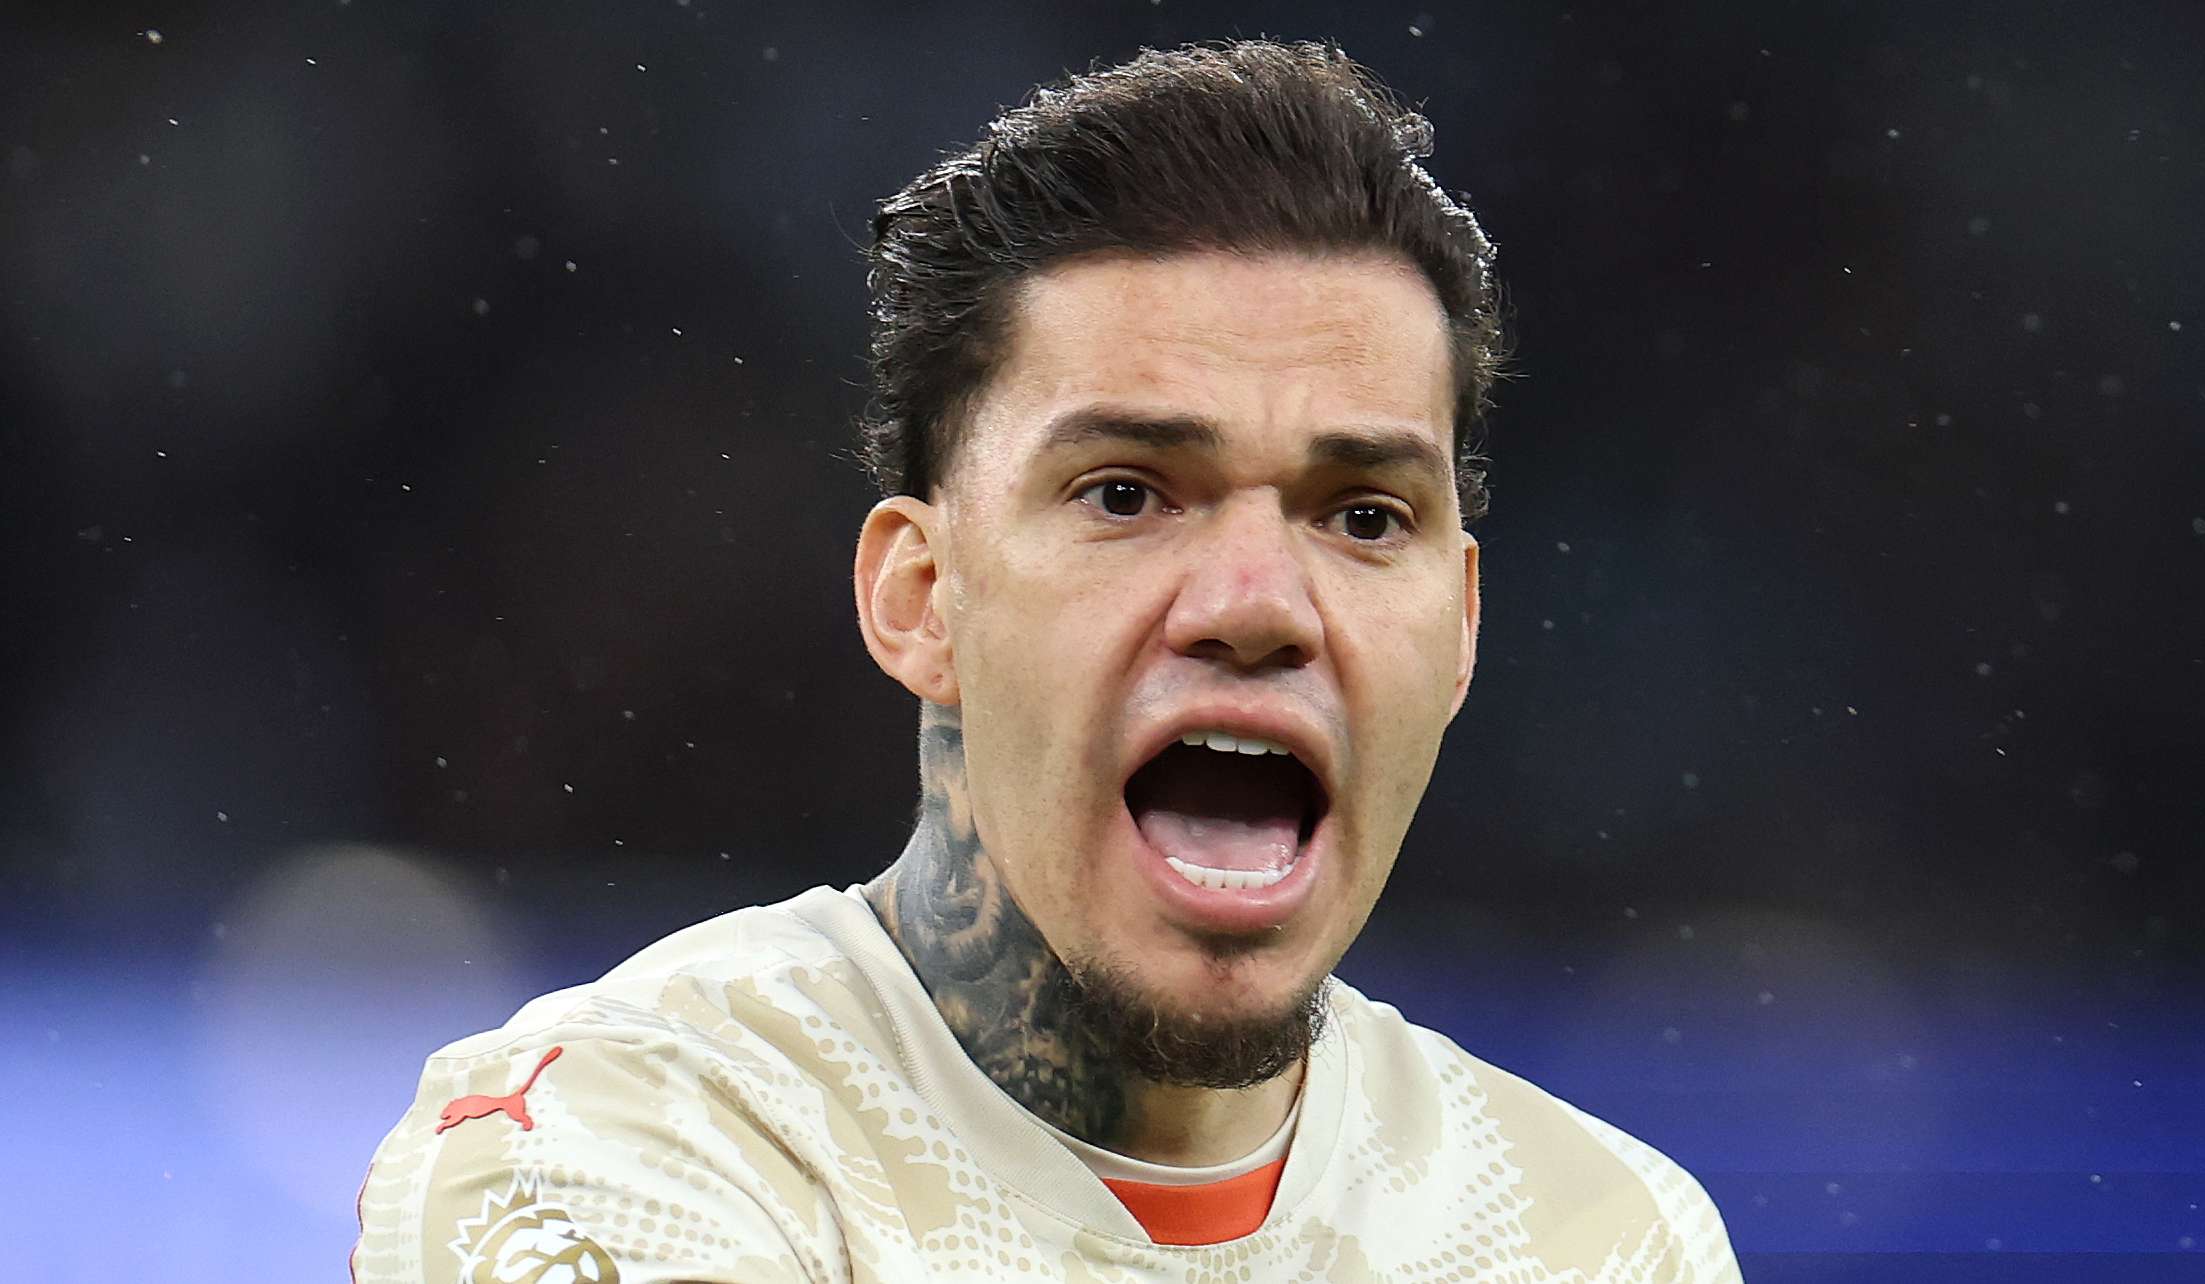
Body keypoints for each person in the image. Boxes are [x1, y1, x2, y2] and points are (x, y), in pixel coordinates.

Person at [352, 38, 1742, 1282]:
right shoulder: (617, 1143)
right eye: (1127, 493)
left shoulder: (1596, 1238)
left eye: (1365, 517)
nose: (1259, 605)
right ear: (921, 597)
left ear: (1465, 630)